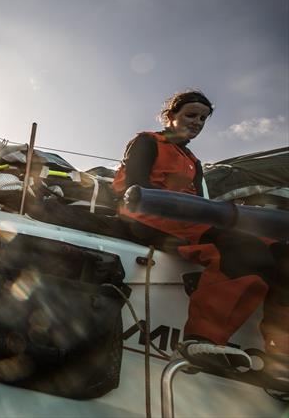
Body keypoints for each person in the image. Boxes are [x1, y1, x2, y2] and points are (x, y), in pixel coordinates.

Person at [113, 90, 287, 387]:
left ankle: (280, 357)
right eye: (190, 115)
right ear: (171, 116)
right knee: (240, 245)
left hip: (190, 218)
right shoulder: (147, 141)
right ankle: (201, 339)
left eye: (203, 118)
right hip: (146, 214)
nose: (197, 122)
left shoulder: (193, 161)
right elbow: (135, 187)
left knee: (282, 252)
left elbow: (200, 201)